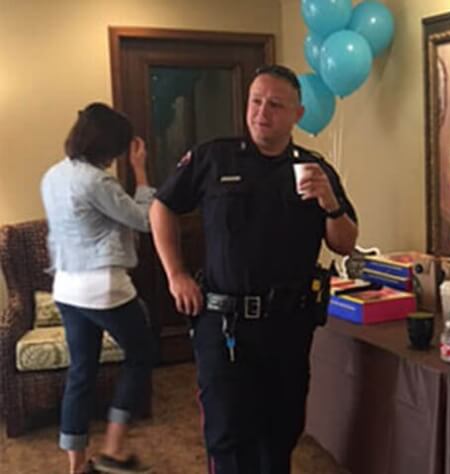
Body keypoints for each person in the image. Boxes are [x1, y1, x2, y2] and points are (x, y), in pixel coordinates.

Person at [149, 64, 358, 474]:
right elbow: (162, 206)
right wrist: (176, 274)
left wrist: (330, 202)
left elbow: (344, 242)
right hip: (224, 324)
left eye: (275, 105)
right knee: (228, 436)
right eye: (255, 101)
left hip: (288, 325)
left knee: (280, 432)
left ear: (297, 114)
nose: (262, 112)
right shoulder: (214, 156)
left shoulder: (314, 169)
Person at [40, 103, 155, 474]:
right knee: (141, 354)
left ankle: (76, 466)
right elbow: (143, 220)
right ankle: (114, 450)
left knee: (81, 372)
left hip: (66, 287)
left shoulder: (52, 176)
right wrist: (140, 171)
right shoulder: (97, 181)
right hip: (103, 287)